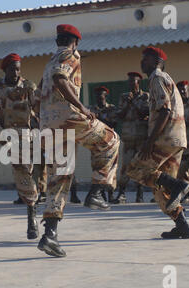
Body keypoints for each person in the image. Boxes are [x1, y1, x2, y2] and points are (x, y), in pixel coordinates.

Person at [38, 24, 120, 257]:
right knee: (111, 140)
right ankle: (96, 192)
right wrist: (82, 106)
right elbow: (61, 79)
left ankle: (50, 235)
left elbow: (38, 97)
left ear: (58, 40)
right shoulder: (70, 54)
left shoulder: (48, 62)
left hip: (50, 127)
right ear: (75, 42)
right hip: (69, 120)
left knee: (59, 180)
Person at [126, 46, 189, 239]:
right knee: (161, 188)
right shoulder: (166, 79)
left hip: (165, 138)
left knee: (134, 169)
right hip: (177, 139)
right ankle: (182, 226)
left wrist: (149, 140)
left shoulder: (157, 78)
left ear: (156, 61)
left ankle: (179, 185)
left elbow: (164, 110)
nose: (141, 62)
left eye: (145, 59)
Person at [0, 53, 41, 240]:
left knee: (24, 176)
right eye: (13, 68)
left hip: (21, 136)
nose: (16, 72)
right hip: (0, 129)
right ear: (4, 69)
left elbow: (39, 110)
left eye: (19, 69)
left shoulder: (29, 87)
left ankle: (31, 216)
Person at [112, 72, 149, 204]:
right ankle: (121, 193)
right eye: (129, 81)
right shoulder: (124, 97)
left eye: (132, 81)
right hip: (128, 137)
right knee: (126, 166)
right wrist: (128, 104)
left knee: (140, 165)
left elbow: (145, 113)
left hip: (141, 137)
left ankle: (140, 194)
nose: (130, 83)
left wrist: (134, 102)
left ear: (138, 82)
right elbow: (120, 115)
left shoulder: (145, 96)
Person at [85, 86, 118, 204]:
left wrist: (99, 120)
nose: (99, 97)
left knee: (110, 168)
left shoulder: (112, 108)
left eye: (101, 94)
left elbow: (113, 123)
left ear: (106, 96)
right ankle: (100, 194)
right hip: (96, 143)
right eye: (97, 95)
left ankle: (111, 194)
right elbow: (87, 124)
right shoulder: (91, 109)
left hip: (109, 142)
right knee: (97, 167)